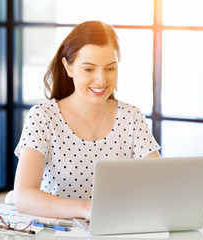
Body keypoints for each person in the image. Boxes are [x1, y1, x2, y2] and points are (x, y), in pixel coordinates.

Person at [13, 21, 161, 220]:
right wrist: (87, 210)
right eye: (89, 69)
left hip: (116, 231)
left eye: (110, 68)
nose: (101, 80)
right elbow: (24, 197)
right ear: (68, 67)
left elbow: (160, 183)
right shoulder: (42, 117)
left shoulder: (131, 117)